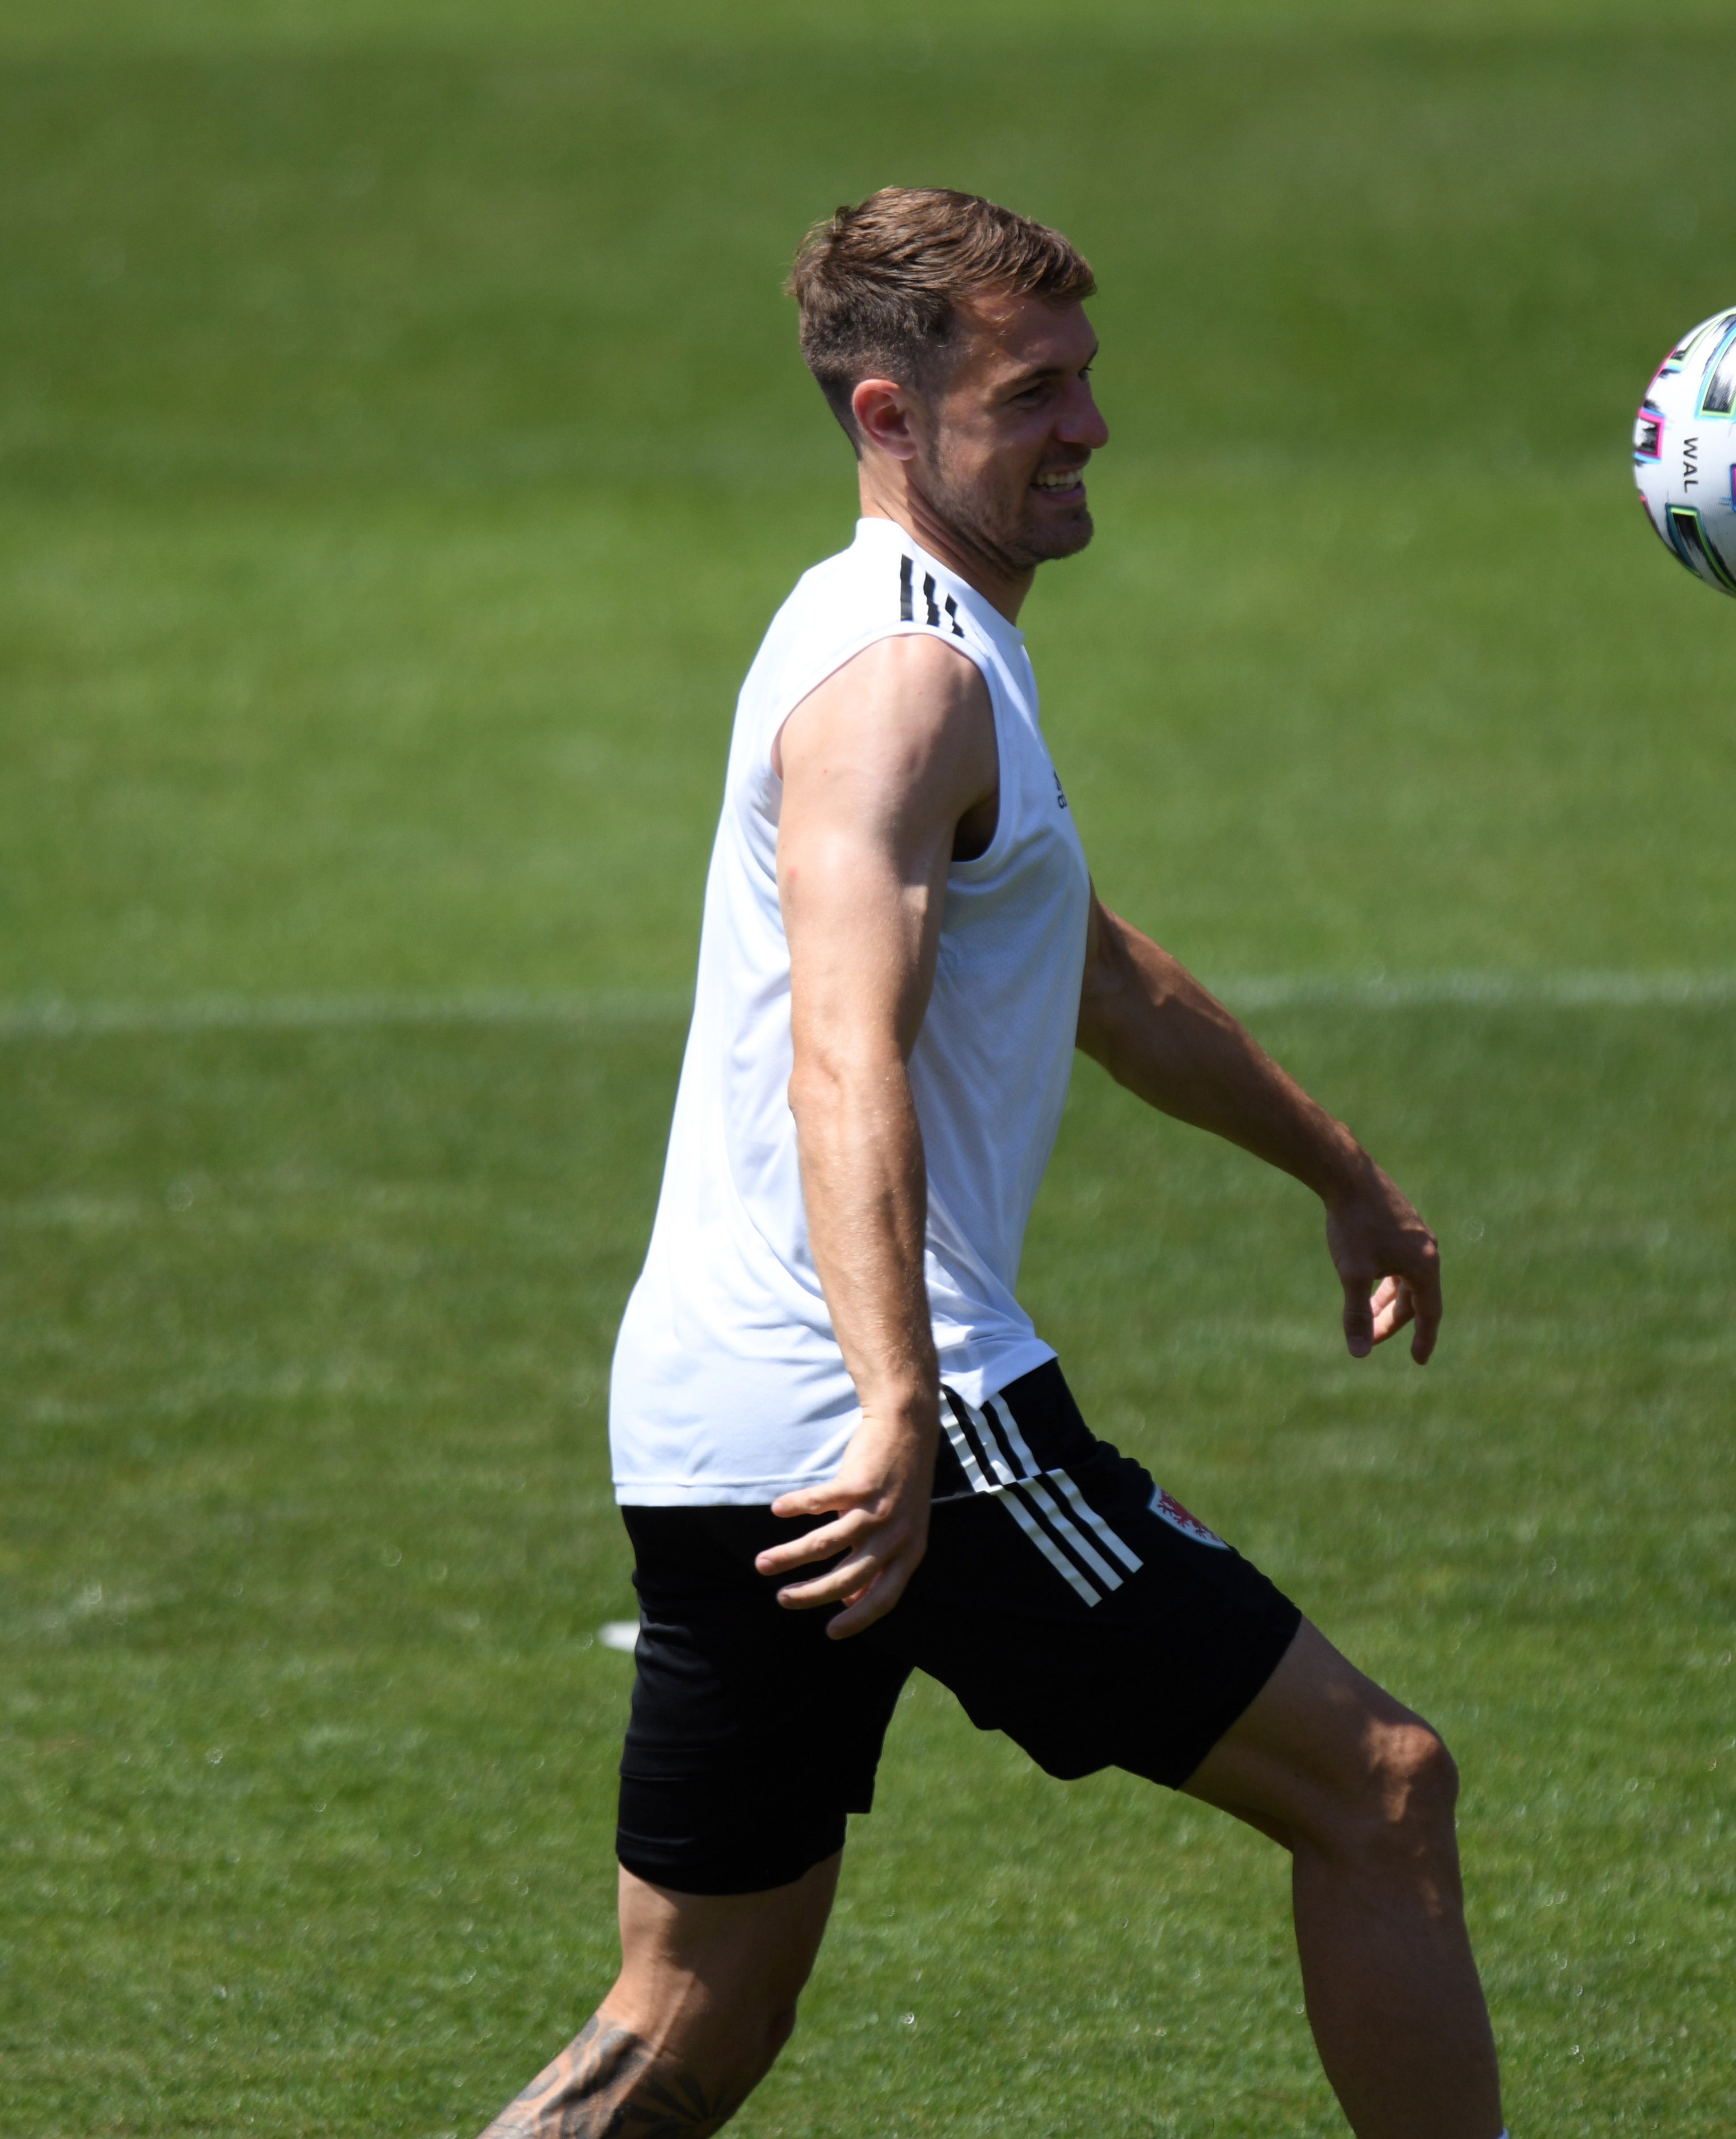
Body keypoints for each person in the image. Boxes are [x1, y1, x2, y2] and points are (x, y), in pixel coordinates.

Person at [480, 188, 1505, 2139]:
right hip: (889, 1420)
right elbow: (840, 1049)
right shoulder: (905, 681)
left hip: (715, 1422)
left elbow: (1100, 973)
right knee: (1380, 1786)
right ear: (891, 411)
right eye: (1037, 393)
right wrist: (894, 1410)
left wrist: (1337, 1166)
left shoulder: (889, 639)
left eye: (1089, 380)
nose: (1092, 428)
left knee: (690, 2009)